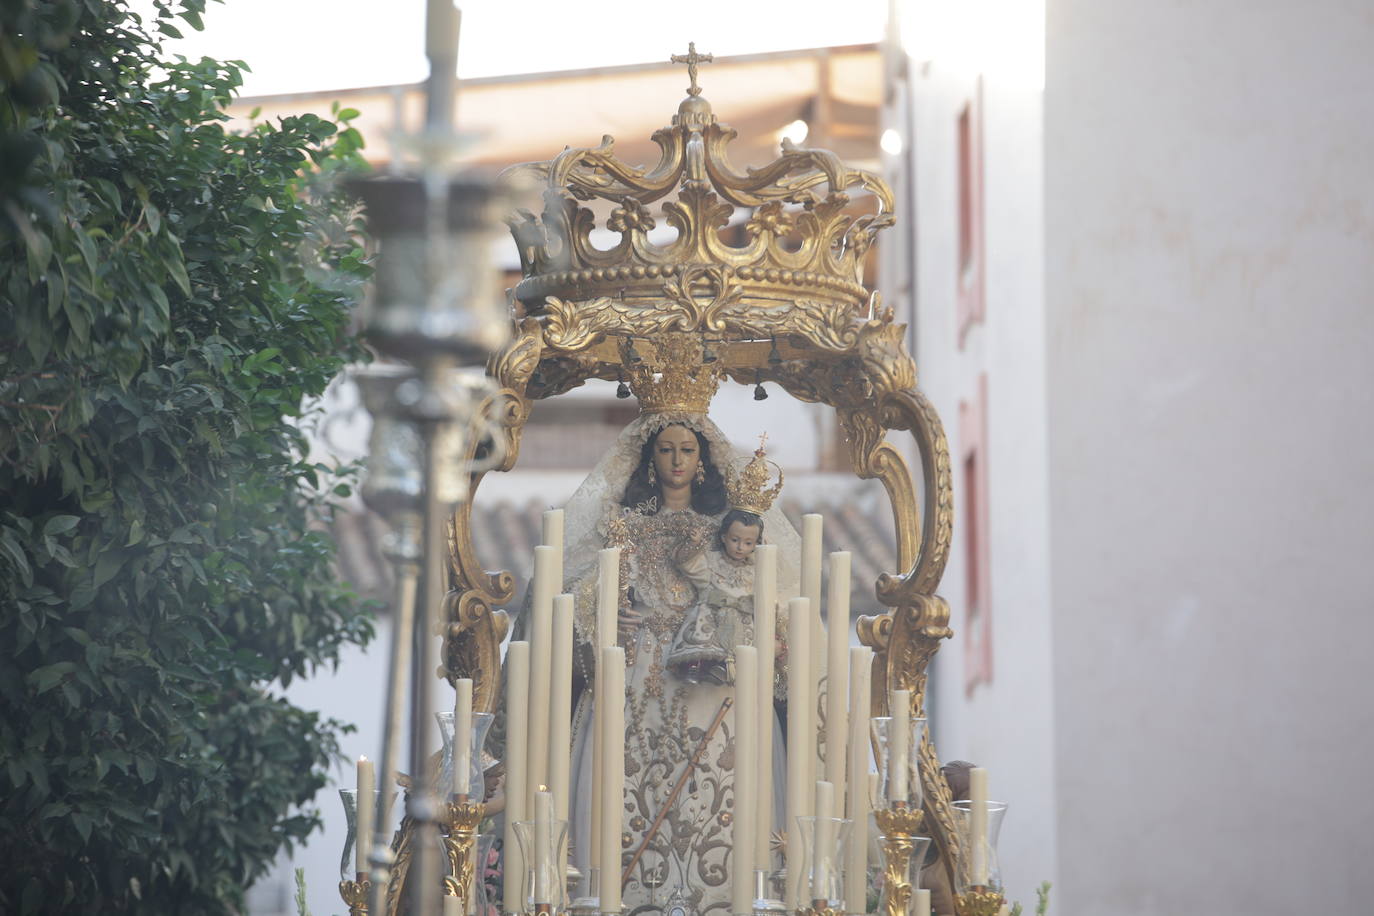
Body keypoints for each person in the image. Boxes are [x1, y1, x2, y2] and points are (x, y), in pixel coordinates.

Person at [558, 337, 800, 916]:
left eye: (686, 449)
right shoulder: (622, 526)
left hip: (712, 677)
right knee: (631, 797)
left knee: (717, 798)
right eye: (665, 449)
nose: (675, 460)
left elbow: (760, 599)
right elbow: (585, 600)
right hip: (637, 677)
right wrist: (607, 613)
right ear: (649, 458)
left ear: (702, 456)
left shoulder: (729, 529)